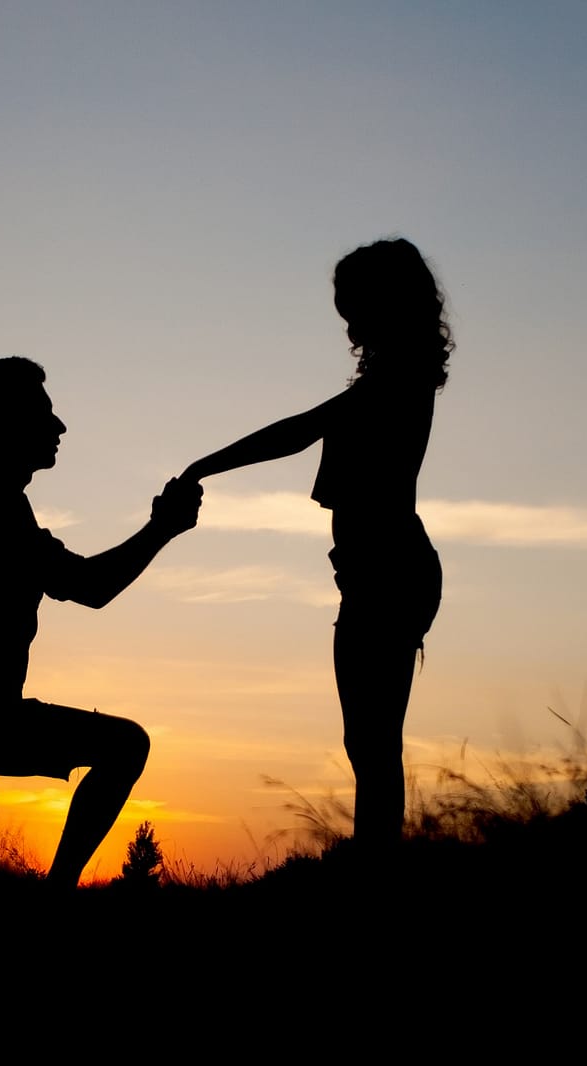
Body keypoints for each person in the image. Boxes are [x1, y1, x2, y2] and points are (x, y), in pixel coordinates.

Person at [0, 356, 201, 888]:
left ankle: (56, 892)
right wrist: (163, 528)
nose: (59, 427)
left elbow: (85, 583)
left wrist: (161, 528)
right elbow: (91, 587)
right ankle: (57, 893)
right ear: (6, 424)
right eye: (44, 413)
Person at [180, 237, 450, 848]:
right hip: (377, 570)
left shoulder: (396, 377)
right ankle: (373, 857)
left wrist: (204, 464)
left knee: (373, 739)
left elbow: (299, 431)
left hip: (388, 570)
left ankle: (374, 862)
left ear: (387, 303)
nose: (348, 321)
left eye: (354, 306)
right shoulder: (394, 373)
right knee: (369, 738)